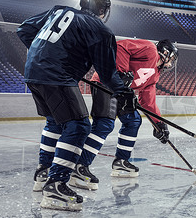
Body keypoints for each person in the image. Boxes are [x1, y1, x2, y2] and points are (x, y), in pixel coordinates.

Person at [17, 0, 134, 211]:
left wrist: (44, 53)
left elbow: (23, 30)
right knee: (79, 125)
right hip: (56, 75)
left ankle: (44, 172)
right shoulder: (100, 29)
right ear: (103, 10)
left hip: (33, 71)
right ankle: (56, 185)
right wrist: (124, 92)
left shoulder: (58, 11)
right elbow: (107, 74)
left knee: (54, 121)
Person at [68, 39, 178, 190]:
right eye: (172, 59)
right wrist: (121, 72)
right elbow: (121, 46)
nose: (171, 64)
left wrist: (159, 124)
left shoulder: (155, 75)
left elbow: (148, 102)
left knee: (133, 120)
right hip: (106, 82)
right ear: (166, 53)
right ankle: (80, 167)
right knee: (104, 124)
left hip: (121, 91)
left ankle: (121, 162)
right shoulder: (150, 49)